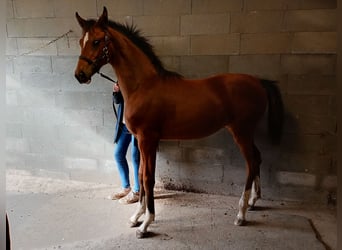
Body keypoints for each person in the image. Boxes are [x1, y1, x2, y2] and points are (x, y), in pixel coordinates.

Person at [108, 82, 140, 204]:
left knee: (135, 157)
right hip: (124, 125)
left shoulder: (140, 80)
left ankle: (137, 191)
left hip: (137, 125)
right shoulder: (123, 79)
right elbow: (117, 102)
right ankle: (126, 188)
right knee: (118, 154)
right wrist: (116, 91)